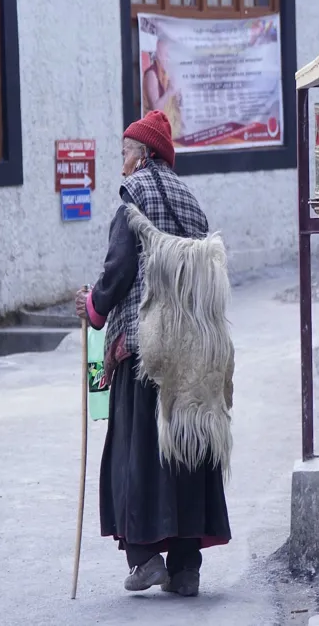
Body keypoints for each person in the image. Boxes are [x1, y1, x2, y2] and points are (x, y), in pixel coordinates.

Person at [74, 110, 231, 597]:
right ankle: (186, 568)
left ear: (143, 156)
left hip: (147, 349)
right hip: (194, 353)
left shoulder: (133, 200)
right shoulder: (192, 202)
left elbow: (119, 271)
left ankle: (144, 559)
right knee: (186, 450)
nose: (121, 162)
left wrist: (92, 306)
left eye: (124, 153)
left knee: (136, 453)